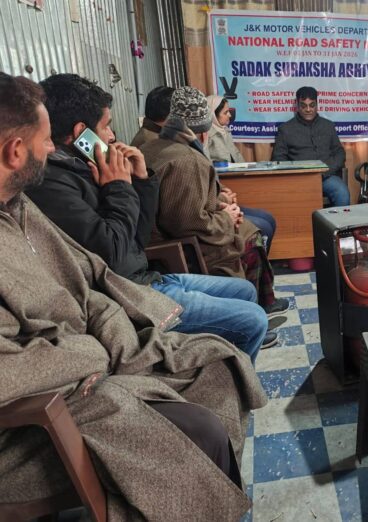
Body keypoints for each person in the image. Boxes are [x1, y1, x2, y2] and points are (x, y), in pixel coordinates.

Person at [0, 72, 267, 521]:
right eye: (44, 140)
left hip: (103, 343)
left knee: (218, 363)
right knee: (203, 422)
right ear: (15, 151)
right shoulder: (50, 188)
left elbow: (93, 277)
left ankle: (216, 492)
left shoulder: (20, 206)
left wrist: (135, 184)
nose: (50, 148)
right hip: (44, 413)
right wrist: (99, 351)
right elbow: (14, 367)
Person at [26, 74, 277, 361]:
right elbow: (112, 250)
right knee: (253, 319)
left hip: (146, 277)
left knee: (244, 290)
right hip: (128, 294)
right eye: (106, 126)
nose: (112, 136)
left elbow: (138, 237)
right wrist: (118, 186)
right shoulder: (53, 184)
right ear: (81, 132)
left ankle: (232, 368)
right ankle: (232, 377)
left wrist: (141, 180)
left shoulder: (87, 166)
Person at [140, 86, 289, 317]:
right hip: (182, 245)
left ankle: (259, 306)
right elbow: (188, 223)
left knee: (251, 226)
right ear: (203, 130)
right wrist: (226, 218)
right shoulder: (188, 160)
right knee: (251, 236)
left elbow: (184, 199)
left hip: (160, 236)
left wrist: (219, 204)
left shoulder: (151, 147)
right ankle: (251, 313)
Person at [206, 94, 277, 252]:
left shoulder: (225, 132)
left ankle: (261, 262)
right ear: (213, 114)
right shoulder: (206, 136)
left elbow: (237, 158)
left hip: (231, 188)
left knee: (268, 218)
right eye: (225, 112)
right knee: (263, 225)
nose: (230, 116)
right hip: (222, 191)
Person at [271, 86, 350, 207]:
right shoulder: (285, 129)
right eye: (303, 106)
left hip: (326, 177)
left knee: (342, 193)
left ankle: (338, 221)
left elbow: (339, 153)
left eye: (312, 105)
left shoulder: (328, 126)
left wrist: (328, 170)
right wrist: (296, 174)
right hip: (298, 180)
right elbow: (278, 159)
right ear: (297, 106)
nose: (308, 109)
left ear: (317, 105)